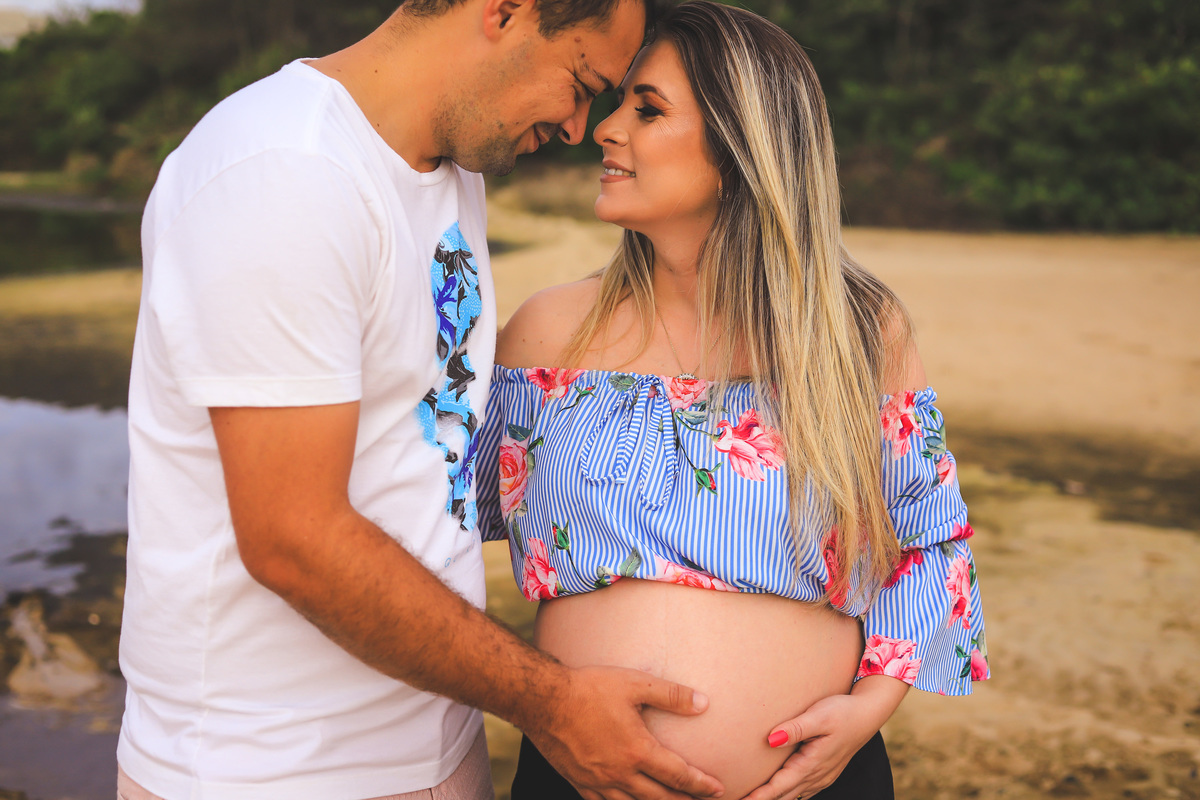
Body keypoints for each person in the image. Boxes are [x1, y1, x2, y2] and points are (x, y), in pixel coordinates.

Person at [116, 1, 731, 799]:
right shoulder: (283, 171)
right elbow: (292, 536)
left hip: (434, 749)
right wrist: (552, 704)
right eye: (582, 82)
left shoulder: (450, 168)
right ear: (504, 12)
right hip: (269, 770)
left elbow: (430, 453)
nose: (581, 128)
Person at [476, 3, 991, 799]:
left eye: (648, 110)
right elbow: (431, 526)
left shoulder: (858, 334)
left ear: (742, 144)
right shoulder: (547, 334)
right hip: (581, 778)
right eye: (619, 103)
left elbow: (929, 542)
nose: (606, 130)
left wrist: (867, 713)